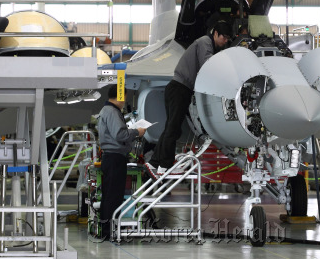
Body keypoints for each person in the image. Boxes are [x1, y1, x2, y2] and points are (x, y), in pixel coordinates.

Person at [146, 20, 233, 176]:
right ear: (215, 34)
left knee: (171, 128)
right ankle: (165, 166)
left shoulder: (207, 44)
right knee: (173, 129)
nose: (225, 41)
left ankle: (155, 162)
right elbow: (207, 66)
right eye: (224, 37)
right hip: (180, 89)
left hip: (177, 89)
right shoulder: (205, 43)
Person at [97, 85, 146, 240]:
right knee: (113, 196)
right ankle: (108, 231)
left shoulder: (107, 110)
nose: (124, 101)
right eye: (124, 97)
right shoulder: (112, 112)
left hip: (111, 157)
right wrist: (136, 132)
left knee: (110, 195)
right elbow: (120, 134)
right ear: (120, 97)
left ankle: (107, 230)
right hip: (115, 158)